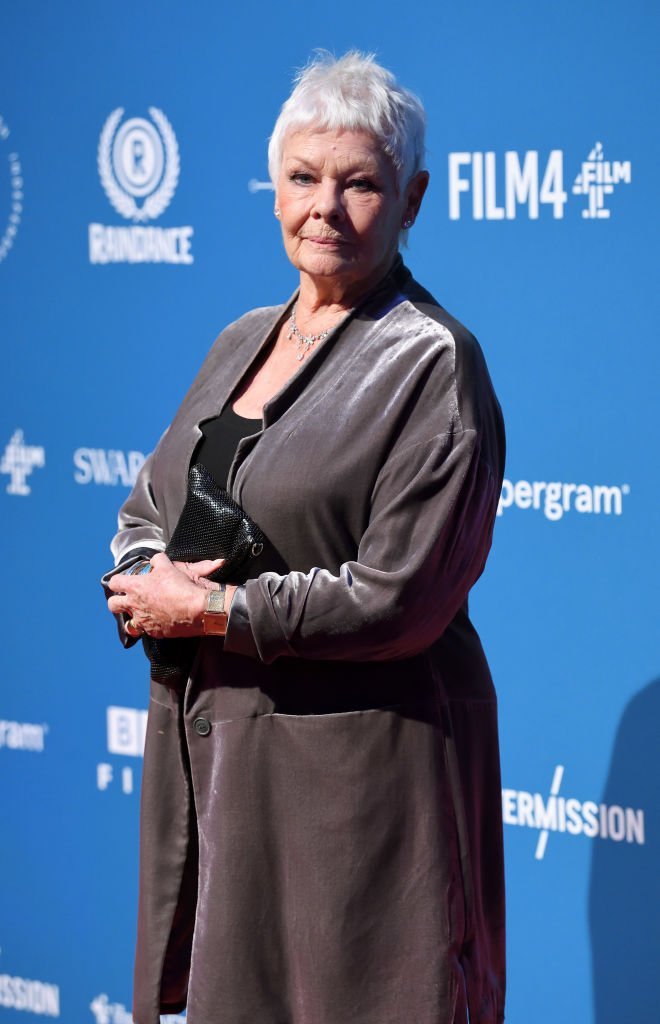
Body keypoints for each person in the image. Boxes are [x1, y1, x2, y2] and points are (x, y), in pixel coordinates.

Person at [104, 51, 506, 1024]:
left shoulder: (432, 361)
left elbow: (398, 596)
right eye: (302, 177)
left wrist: (211, 607)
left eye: (359, 182)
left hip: (365, 783)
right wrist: (137, 573)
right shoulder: (241, 337)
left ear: (411, 196)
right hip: (236, 765)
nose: (324, 206)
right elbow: (149, 503)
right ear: (272, 187)